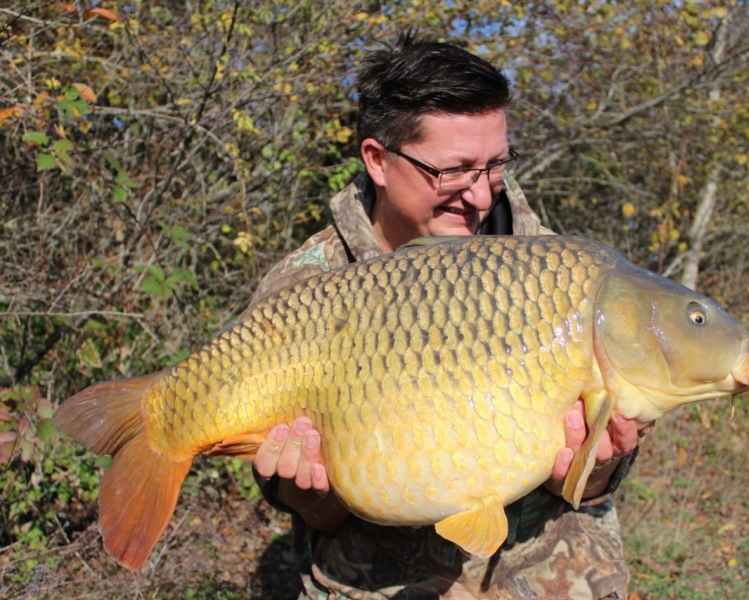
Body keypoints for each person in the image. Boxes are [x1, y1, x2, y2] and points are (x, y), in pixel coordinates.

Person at [250, 32, 644, 600]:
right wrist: (308, 489)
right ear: (378, 161)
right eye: (454, 171)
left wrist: (592, 466)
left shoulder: (560, 271)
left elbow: (598, 483)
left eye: (496, 165)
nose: (481, 197)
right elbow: (315, 512)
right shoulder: (303, 291)